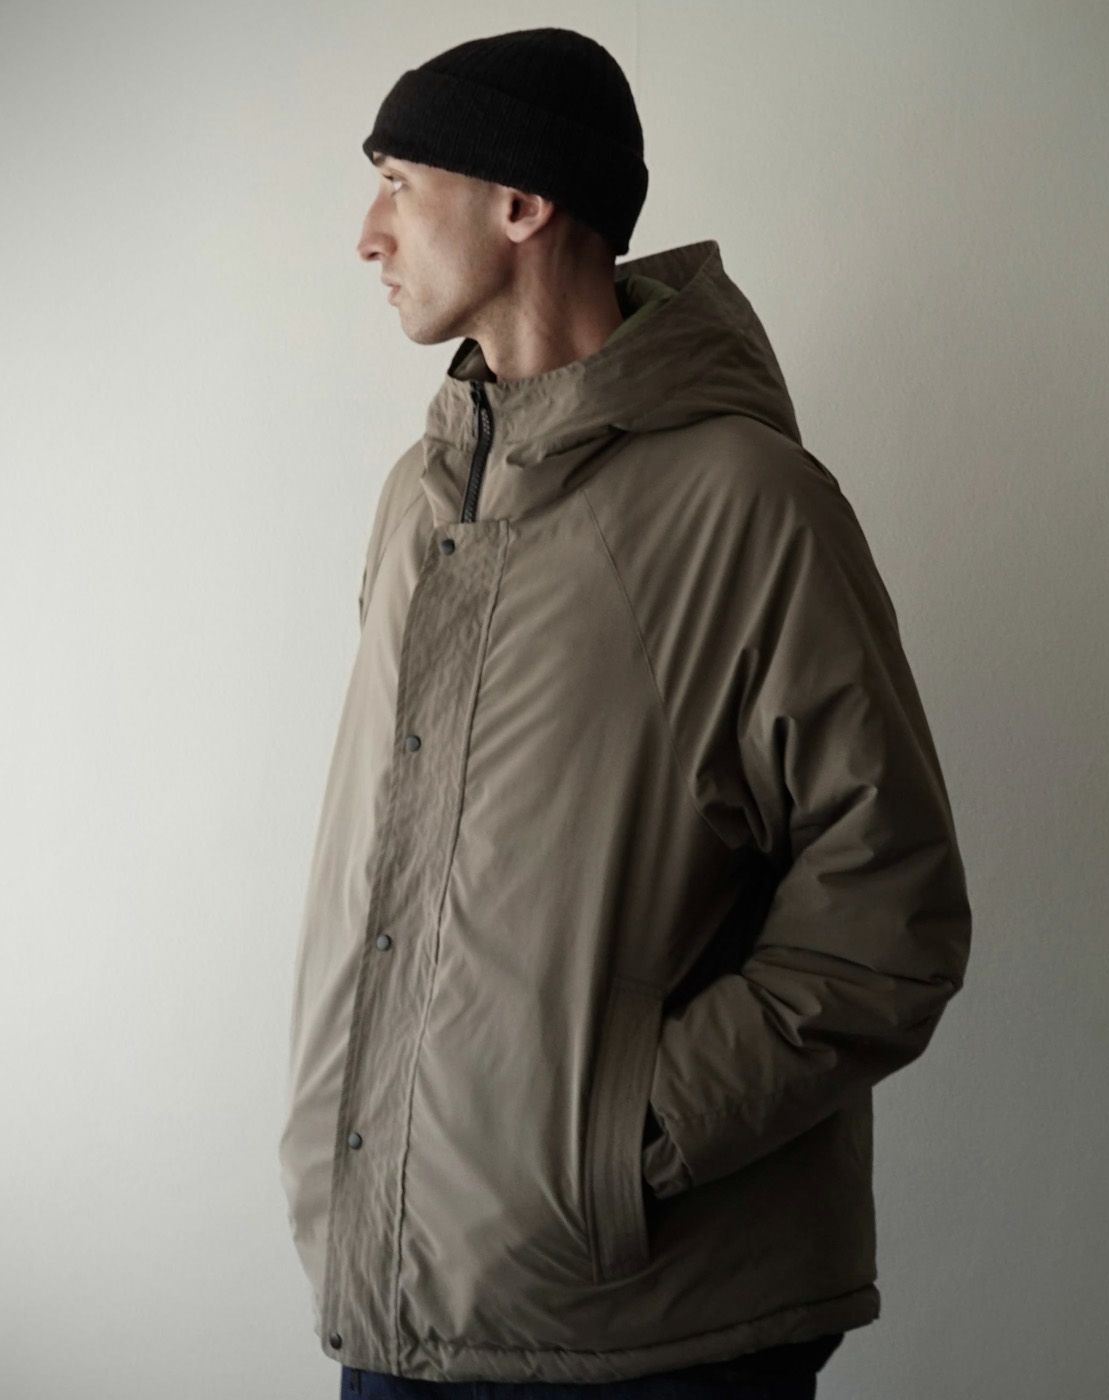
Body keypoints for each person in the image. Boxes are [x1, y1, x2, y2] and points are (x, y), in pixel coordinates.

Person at [276, 25, 972, 1400]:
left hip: (651, 1333)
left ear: (521, 203)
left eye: (401, 182)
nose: (368, 233)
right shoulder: (420, 498)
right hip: (397, 1297)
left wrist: (614, 1144)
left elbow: (892, 907)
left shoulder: (748, 506)